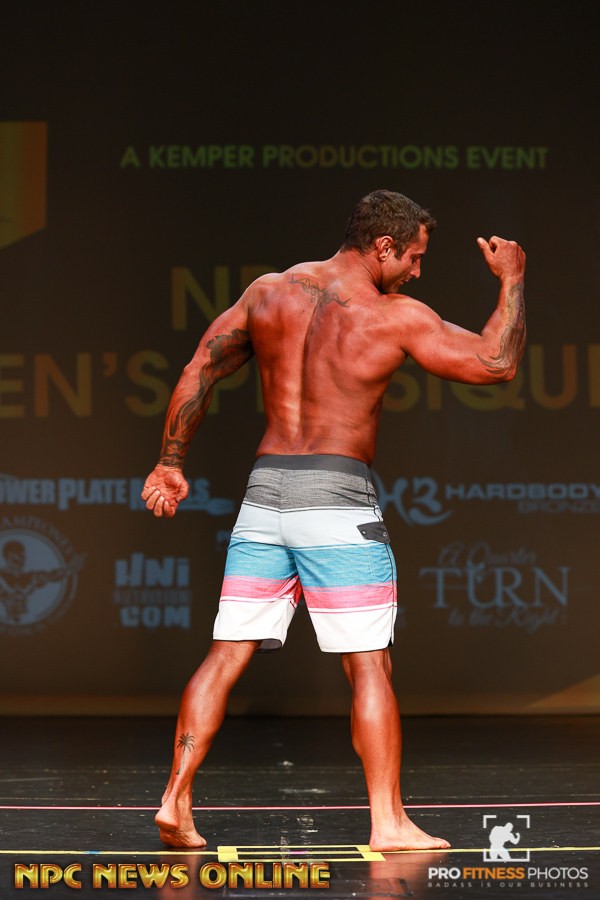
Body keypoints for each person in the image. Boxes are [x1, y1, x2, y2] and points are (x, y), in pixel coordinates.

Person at [141, 189, 526, 851]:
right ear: (383, 245)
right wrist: (512, 279)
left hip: (265, 496)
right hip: (337, 499)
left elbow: (200, 368)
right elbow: (497, 363)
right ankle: (388, 822)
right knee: (369, 667)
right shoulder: (392, 316)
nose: (417, 271)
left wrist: (169, 461)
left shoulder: (270, 292)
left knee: (225, 653)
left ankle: (175, 798)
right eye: (413, 257)